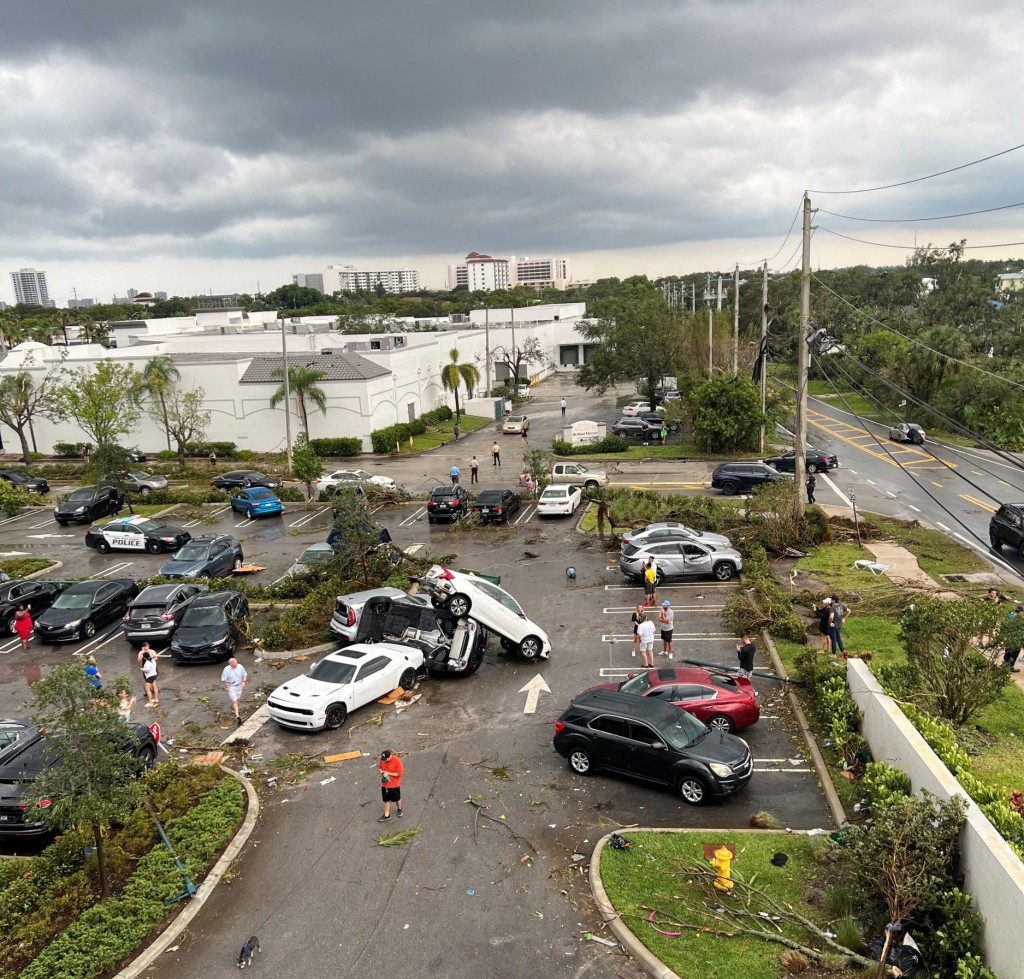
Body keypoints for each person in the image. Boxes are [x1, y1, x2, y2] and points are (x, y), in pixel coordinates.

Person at [377, 749, 404, 822]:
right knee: (386, 800)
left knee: (397, 798)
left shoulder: (397, 761)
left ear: (390, 756)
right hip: (385, 784)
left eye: (386, 759)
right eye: (383, 759)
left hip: (394, 784)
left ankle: (399, 808)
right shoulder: (383, 760)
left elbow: (399, 774)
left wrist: (388, 773)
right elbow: (380, 767)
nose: (384, 761)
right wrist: (381, 772)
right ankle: (387, 815)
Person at [221, 657, 248, 725]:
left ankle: (236, 709)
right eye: (234, 664)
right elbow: (223, 679)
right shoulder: (226, 670)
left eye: (236, 663)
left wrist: (244, 681)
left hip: (239, 686)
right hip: (231, 687)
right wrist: (229, 682)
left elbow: (244, 674)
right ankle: (237, 715)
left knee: (237, 699)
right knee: (234, 700)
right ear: (230, 664)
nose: (235, 665)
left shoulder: (240, 667)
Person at [1002, 603, 1024, 672]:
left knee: (1007, 651)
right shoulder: (1020, 619)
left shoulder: (1009, 615)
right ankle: (1010, 667)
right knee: (1014, 653)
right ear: (1020, 612)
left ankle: (1005, 664)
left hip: (1008, 637)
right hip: (1016, 639)